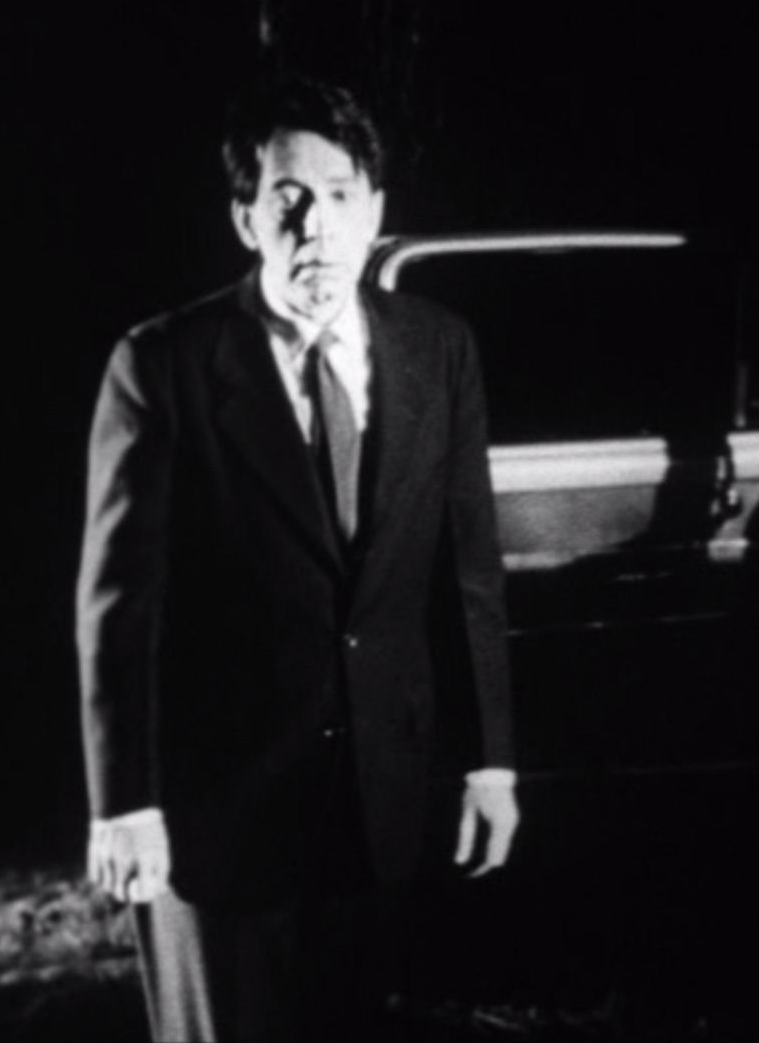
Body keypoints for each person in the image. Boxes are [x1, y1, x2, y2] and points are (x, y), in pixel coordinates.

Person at [76, 72, 519, 1040]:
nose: (316, 225)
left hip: (376, 812)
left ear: (377, 211)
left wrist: (489, 764)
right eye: (288, 198)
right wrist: (126, 803)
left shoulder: (439, 352)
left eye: (340, 194)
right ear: (246, 219)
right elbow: (120, 608)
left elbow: (467, 574)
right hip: (216, 823)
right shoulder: (163, 366)